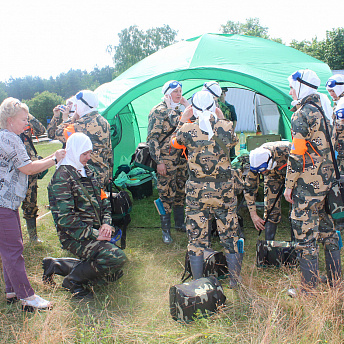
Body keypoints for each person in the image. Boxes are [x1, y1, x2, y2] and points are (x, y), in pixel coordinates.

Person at [171, 91, 242, 288]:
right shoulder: (226, 127)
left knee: (196, 237)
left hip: (197, 191)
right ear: (214, 106)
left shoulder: (186, 129)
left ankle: (197, 282)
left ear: (193, 108)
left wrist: (182, 120)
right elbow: (233, 141)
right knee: (230, 234)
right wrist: (221, 118)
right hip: (224, 191)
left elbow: (174, 143)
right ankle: (235, 281)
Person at [0, 97, 66, 311]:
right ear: (9, 120)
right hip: (3, 204)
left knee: (8, 248)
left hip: (7, 203)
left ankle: (11, 290)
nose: (26, 124)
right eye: (22, 120)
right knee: (13, 250)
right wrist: (54, 158)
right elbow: (28, 168)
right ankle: (27, 297)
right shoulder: (10, 139)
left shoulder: (5, 136)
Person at [47, 132, 127, 299]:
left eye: (89, 153)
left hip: (94, 230)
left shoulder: (88, 171)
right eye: (85, 154)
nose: (88, 158)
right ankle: (73, 281)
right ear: (74, 151)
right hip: (74, 236)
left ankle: (58, 265)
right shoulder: (62, 177)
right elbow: (66, 220)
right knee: (116, 258)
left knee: (111, 272)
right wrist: (96, 235)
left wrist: (106, 224)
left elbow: (104, 200)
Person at [284, 69, 341, 295]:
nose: (290, 91)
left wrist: (289, 185)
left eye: (291, 86)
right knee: (328, 231)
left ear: (300, 86)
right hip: (327, 182)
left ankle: (308, 289)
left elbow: (297, 153)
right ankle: (335, 281)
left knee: (305, 235)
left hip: (308, 185)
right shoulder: (325, 109)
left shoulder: (302, 114)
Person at [146, 80, 189, 244]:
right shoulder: (159, 111)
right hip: (166, 159)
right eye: (175, 91)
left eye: (180, 91)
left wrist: (186, 104)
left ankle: (179, 224)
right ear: (167, 94)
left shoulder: (179, 110)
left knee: (180, 191)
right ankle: (166, 231)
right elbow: (152, 139)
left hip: (181, 160)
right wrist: (159, 162)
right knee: (165, 194)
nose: (179, 94)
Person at [47, 90, 113, 188]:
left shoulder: (80, 125)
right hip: (103, 173)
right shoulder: (104, 121)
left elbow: (55, 133)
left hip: (88, 175)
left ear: (82, 105)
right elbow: (109, 151)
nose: (75, 107)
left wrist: (71, 117)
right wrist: (110, 173)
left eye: (77, 105)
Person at [244, 141, 291, 240]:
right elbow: (249, 188)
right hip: (273, 177)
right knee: (270, 208)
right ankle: (268, 245)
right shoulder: (255, 161)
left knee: (297, 208)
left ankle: (297, 245)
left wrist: (289, 186)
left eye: (263, 170)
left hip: (294, 175)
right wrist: (253, 215)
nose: (262, 173)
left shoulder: (287, 150)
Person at [20, 113, 47, 242]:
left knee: (31, 203)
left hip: (31, 175)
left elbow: (41, 130)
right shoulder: (5, 132)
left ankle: (33, 237)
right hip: (14, 175)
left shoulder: (25, 130)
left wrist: (28, 115)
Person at [326, 74, 344, 174]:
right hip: (339, 147)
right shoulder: (337, 103)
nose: (331, 94)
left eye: (333, 91)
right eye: (329, 91)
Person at [218, 87, 238, 160]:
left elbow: (234, 120)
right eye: (219, 94)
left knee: (231, 153)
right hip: (218, 133)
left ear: (225, 94)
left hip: (228, 132)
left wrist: (232, 130)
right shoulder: (214, 107)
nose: (220, 96)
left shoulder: (230, 107)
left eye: (222, 94)